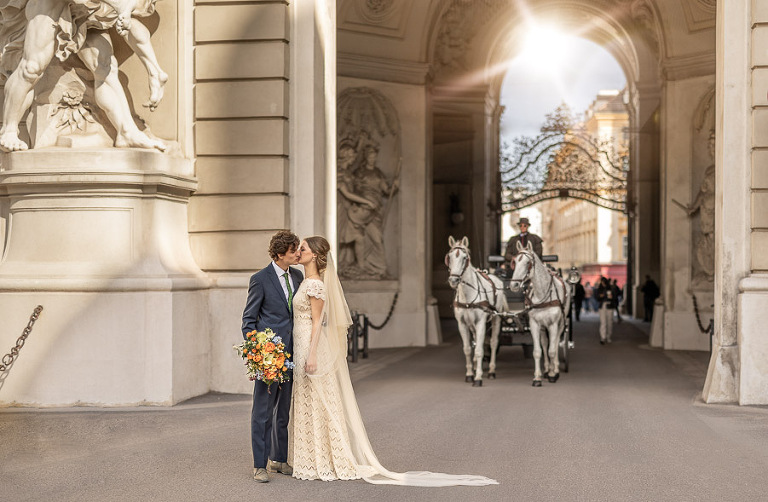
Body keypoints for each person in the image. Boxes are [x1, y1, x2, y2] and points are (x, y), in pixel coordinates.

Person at [288, 235, 497, 486]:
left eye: (303, 248)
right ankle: (311, 456)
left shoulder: (315, 285)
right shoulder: (303, 281)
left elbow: (317, 323)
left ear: (315, 255)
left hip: (312, 348)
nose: (298, 251)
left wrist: (311, 354)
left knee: (322, 403)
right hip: (300, 345)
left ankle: (327, 458)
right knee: (309, 400)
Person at [0, 0, 167, 152]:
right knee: (32, 68)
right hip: (50, 7)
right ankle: (9, 130)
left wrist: (153, 69)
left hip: (85, 10)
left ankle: (127, 131)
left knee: (105, 66)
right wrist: (123, 7)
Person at [241, 230, 303, 483]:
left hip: (293, 354)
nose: (298, 254)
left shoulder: (298, 276)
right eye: (293, 251)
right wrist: (260, 352)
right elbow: (248, 321)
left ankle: (279, 459)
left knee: (284, 411)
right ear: (280, 254)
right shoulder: (260, 279)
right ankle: (259, 464)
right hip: (270, 355)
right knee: (263, 411)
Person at [594, 277, 616, 344]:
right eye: (602, 282)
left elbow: (615, 297)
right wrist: (601, 296)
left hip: (609, 305)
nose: (603, 283)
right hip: (602, 306)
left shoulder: (611, 288)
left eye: (604, 282)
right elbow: (597, 297)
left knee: (609, 322)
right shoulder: (599, 289)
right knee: (603, 322)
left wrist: (611, 297)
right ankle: (603, 337)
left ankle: (608, 336)